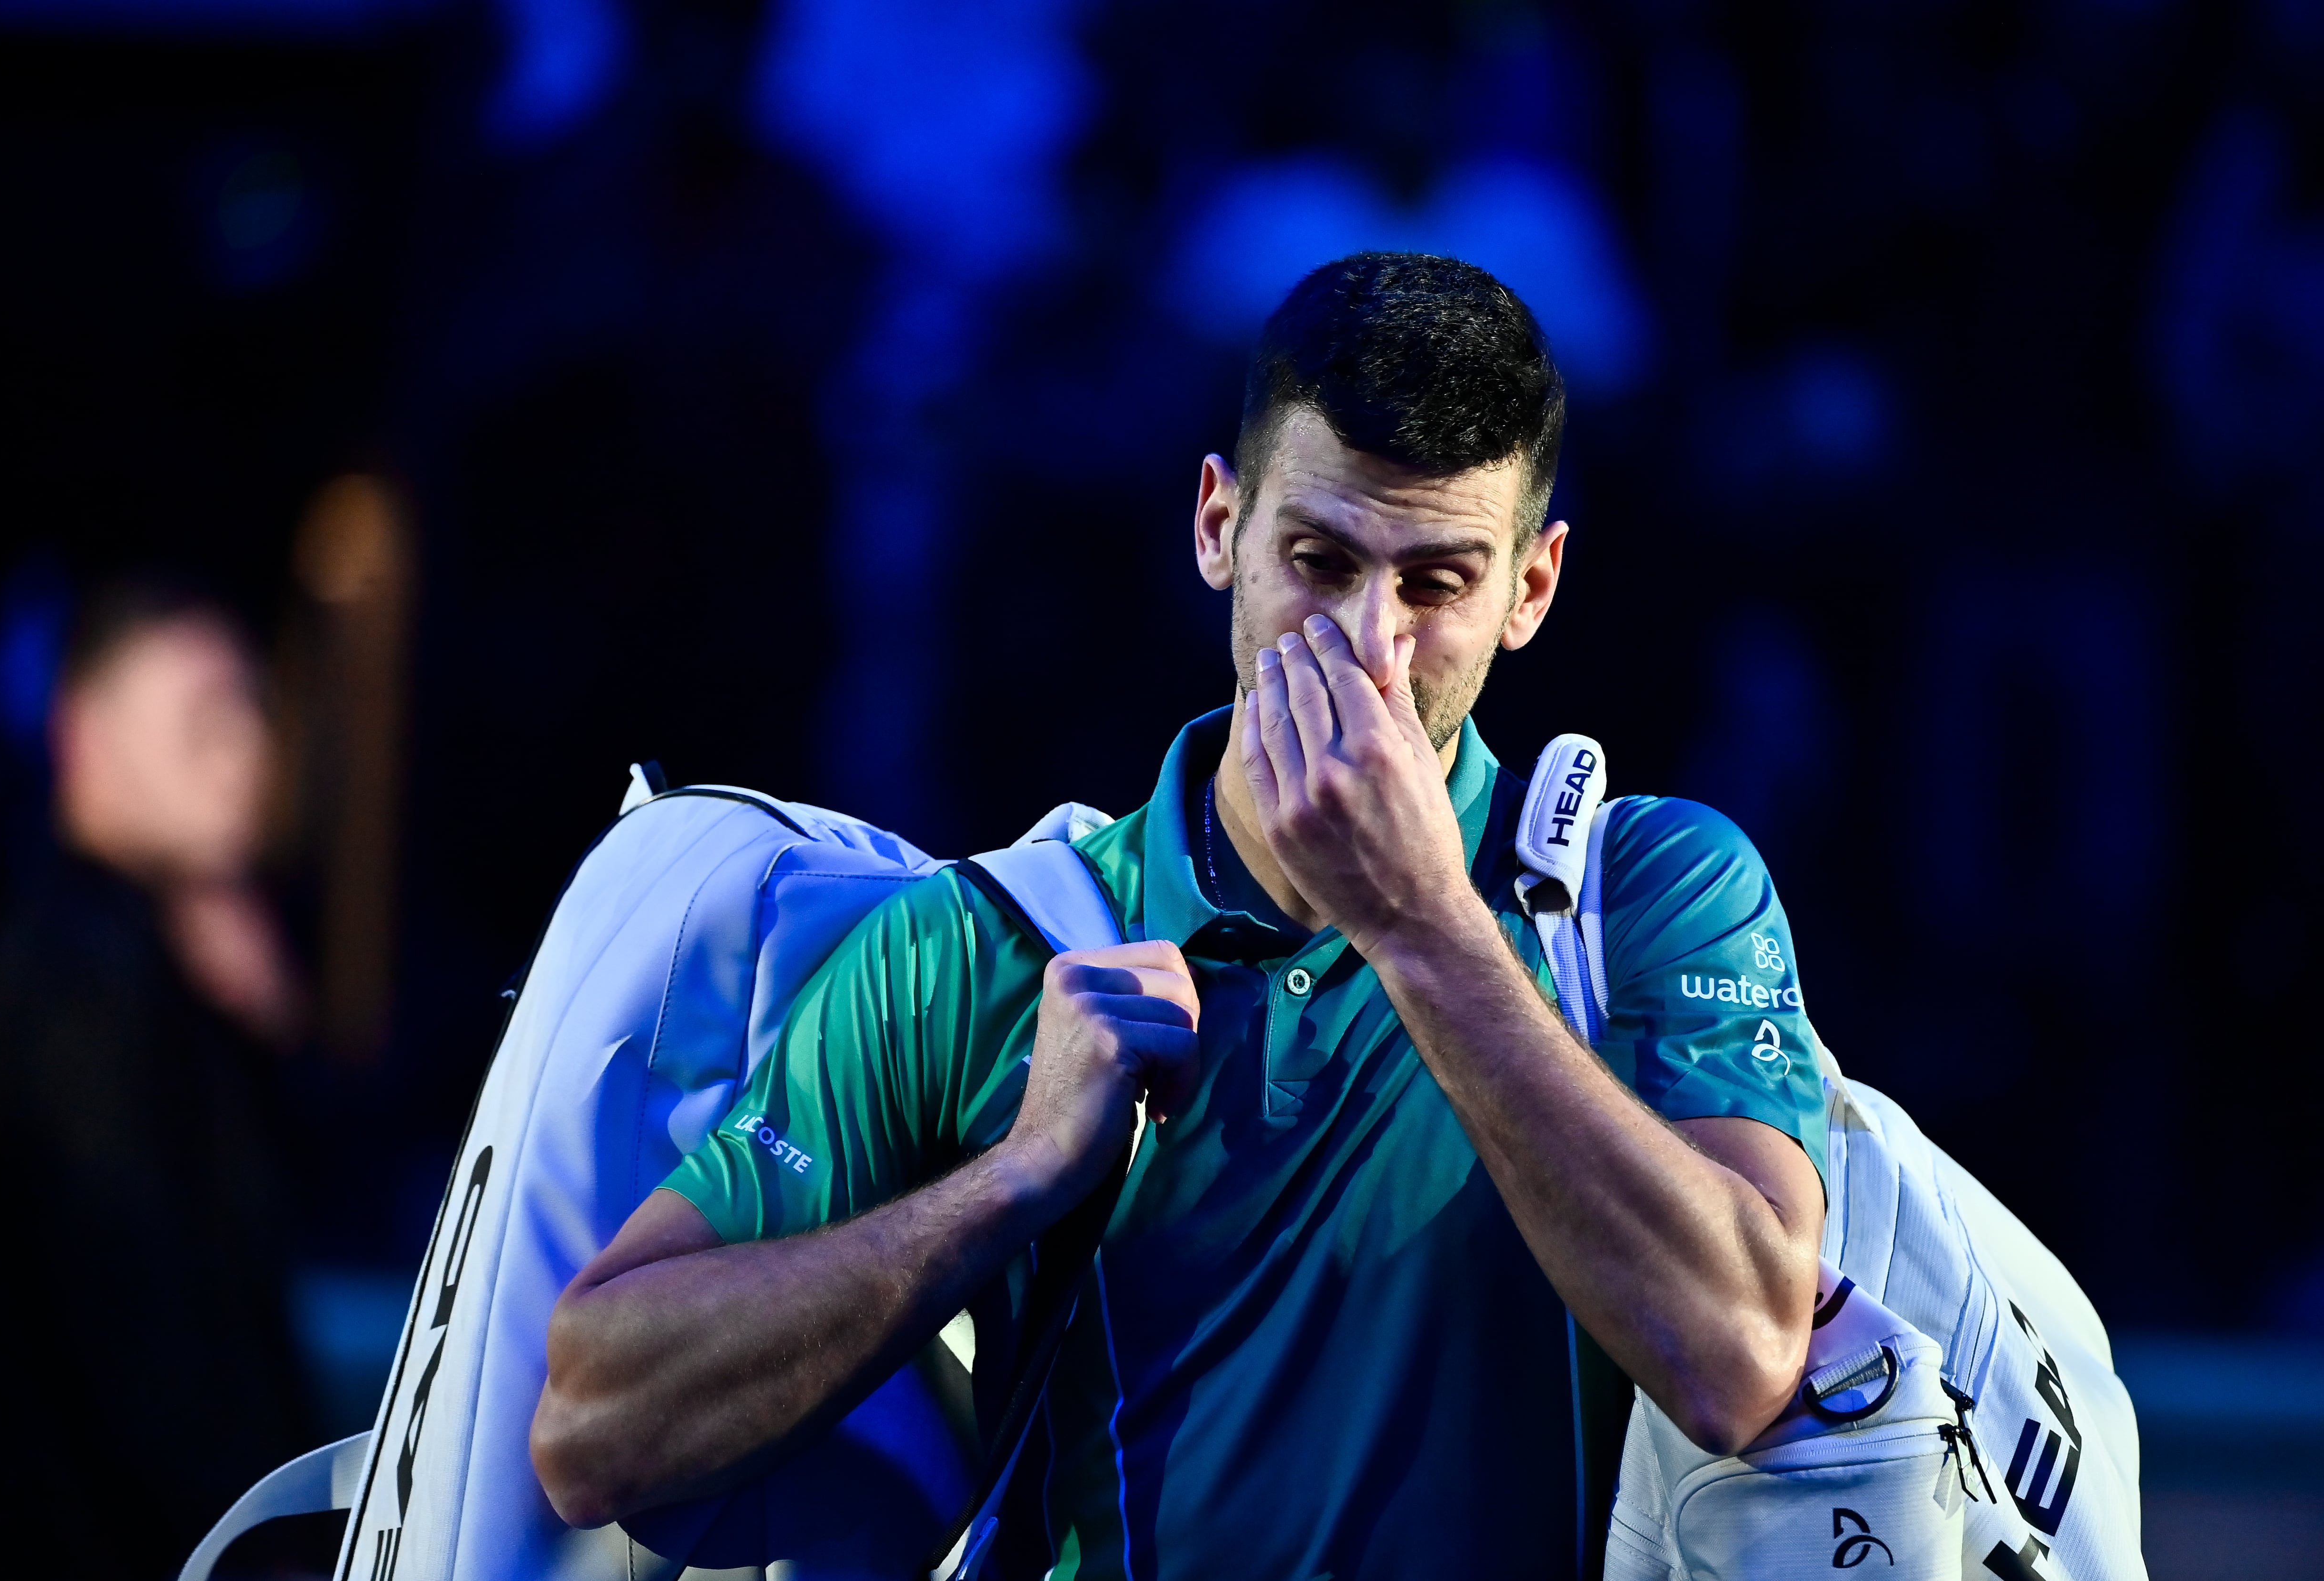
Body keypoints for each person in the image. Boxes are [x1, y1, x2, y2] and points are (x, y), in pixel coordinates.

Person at [531, 253, 1831, 1579]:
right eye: (1319, 560)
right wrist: (1011, 1181)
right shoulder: (981, 943)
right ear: (1219, 527)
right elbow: (592, 1426)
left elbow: (1742, 1357)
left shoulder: (1655, 893)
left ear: (1532, 590)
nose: (1370, 647)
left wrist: (1426, 924)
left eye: (1438, 584)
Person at [0, 582, 313, 1579]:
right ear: (85, 739)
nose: (247, 747)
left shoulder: (157, 958)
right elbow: (152, 1339)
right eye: (203, 718)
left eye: (251, 706)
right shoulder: (84, 978)